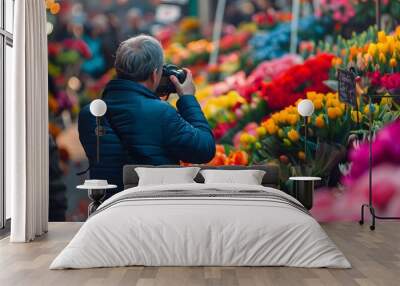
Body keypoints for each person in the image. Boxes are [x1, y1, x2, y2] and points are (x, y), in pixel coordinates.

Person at [78, 35, 216, 196]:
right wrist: (187, 99)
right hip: (151, 204)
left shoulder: (89, 114)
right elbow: (205, 149)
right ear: (154, 74)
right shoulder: (161, 112)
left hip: (109, 205)